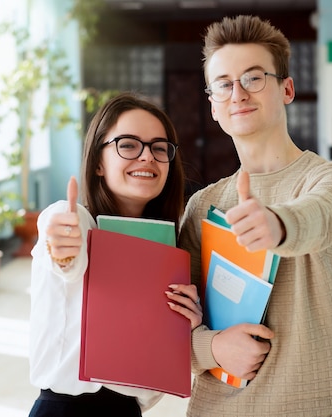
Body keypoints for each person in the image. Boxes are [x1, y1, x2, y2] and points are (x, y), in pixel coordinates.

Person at [178, 15, 332, 417]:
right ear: (212, 105)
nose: (238, 94)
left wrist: (277, 224)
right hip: (214, 408)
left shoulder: (331, 181)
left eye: (253, 78)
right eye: (224, 84)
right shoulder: (204, 206)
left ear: (287, 88)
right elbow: (173, 326)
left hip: (307, 403)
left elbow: (320, 216)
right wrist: (210, 347)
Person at [28, 92, 202, 417]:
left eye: (159, 148)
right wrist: (62, 251)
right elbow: (65, 255)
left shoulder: (167, 250)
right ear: (97, 163)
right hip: (65, 410)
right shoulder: (75, 220)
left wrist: (185, 324)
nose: (147, 157)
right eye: (128, 144)